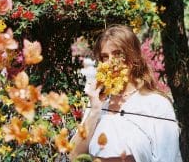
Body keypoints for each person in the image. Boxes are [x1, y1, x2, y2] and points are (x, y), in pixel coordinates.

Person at [69, 24, 180, 162]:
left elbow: (167, 157)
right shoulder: (98, 103)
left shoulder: (156, 104)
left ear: (133, 57)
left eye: (117, 54)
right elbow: (74, 156)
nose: (111, 62)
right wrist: (95, 111)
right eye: (105, 57)